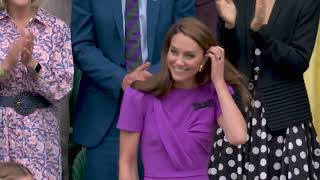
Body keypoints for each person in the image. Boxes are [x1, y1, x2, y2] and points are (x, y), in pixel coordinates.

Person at [71, 0, 195, 179]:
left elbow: (189, 40)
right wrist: (121, 79)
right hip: (107, 115)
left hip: (164, 106)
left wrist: (148, 77)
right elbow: (81, 44)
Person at [117, 17, 249, 180]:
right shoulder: (138, 95)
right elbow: (127, 164)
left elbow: (238, 136)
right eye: (174, 51)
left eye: (189, 55)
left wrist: (219, 81)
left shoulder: (213, 93)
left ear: (204, 59)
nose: (179, 61)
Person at [209, 0, 320, 179]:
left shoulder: (306, 3)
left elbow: (299, 61)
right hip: (237, 113)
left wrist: (260, 32)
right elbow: (227, 58)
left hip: (283, 117)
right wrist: (228, 26)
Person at [0, 0, 74, 179]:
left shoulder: (56, 28)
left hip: (41, 133)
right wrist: (8, 64)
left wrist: (33, 65)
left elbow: (62, 89)